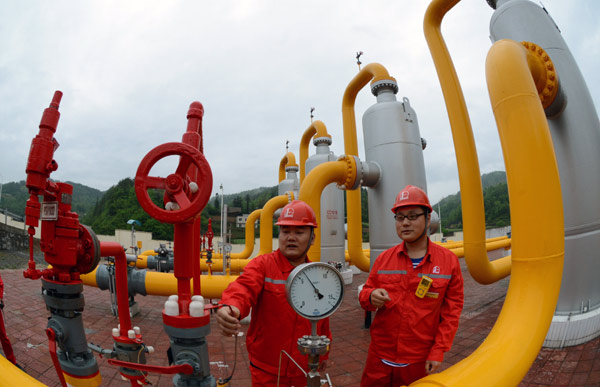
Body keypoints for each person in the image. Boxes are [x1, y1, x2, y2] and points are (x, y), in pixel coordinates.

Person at [216, 200, 330, 387]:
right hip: (266, 368)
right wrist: (231, 307)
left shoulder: (318, 274)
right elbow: (243, 288)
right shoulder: (263, 265)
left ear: (312, 238)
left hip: (304, 366)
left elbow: (323, 316)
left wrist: (323, 353)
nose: (290, 238)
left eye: (299, 232)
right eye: (285, 231)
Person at [359, 185, 464, 386]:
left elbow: (452, 312)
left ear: (427, 218)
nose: (405, 223)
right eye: (400, 217)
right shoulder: (384, 260)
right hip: (379, 358)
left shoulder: (448, 262)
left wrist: (438, 350)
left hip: (419, 361)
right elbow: (365, 295)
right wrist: (370, 296)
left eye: (413, 216)